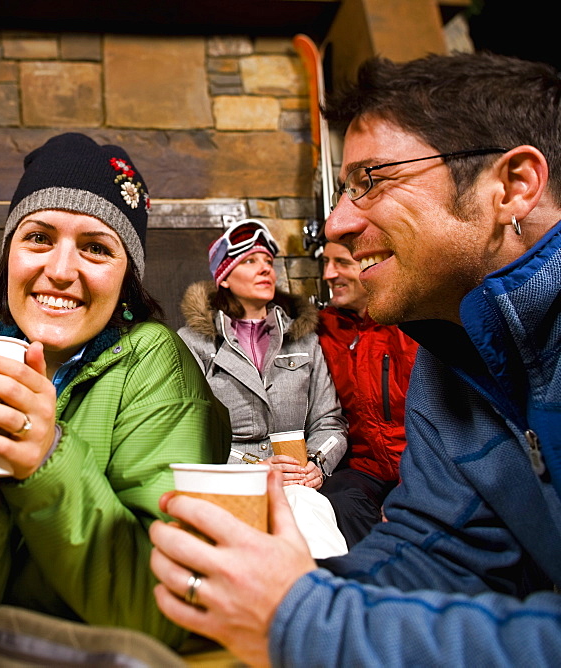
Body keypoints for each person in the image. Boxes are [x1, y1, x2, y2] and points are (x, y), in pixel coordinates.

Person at [149, 52, 561, 666]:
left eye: (373, 179)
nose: (336, 222)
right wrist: (277, 593)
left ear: (513, 186)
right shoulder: (449, 357)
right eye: (344, 187)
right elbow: (439, 549)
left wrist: (304, 617)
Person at [0, 132, 231, 648]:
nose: (59, 271)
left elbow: (168, 610)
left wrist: (45, 459)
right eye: (38, 238)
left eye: (96, 248)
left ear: (128, 279)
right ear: (9, 252)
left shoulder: (154, 362)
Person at [177, 219, 347, 488]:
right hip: (230, 483)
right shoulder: (193, 343)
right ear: (224, 278)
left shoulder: (304, 340)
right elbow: (187, 430)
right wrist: (251, 468)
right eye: (249, 261)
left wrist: (317, 462)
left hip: (298, 482)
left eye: (268, 261)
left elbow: (329, 421)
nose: (265, 268)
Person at [317, 240, 417, 546]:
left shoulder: (412, 326)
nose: (328, 274)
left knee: (416, 512)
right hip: (364, 465)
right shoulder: (322, 329)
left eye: (342, 263)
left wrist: (410, 486)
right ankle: (372, 584)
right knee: (340, 500)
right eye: (326, 262)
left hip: (417, 463)